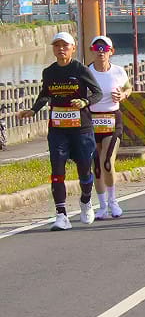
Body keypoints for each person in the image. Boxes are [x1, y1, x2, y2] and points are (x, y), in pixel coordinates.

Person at [17, 32, 102, 230]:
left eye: (65, 46)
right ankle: (61, 215)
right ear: (53, 49)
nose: (61, 49)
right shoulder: (49, 72)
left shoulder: (80, 69)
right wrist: (33, 110)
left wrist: (85, 101)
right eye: (57, 46)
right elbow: (45, 94)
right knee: (57, 170)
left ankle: (86, 200)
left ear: (73, 48)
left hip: (81, 128)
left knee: (84, 169)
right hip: (58, 129)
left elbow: (97, 93)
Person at [88, 35, 131, 219]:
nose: (101, 52)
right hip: (91, 120)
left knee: (107, 161)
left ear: (111, 52)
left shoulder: (119, 72)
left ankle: (113, 201)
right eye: (97, 48)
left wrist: (123, 95)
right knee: (97, 166)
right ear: (92, 51)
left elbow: (128, 88)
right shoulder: (87, 72)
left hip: (112, 119)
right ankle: (102, 206)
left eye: (104, 49)